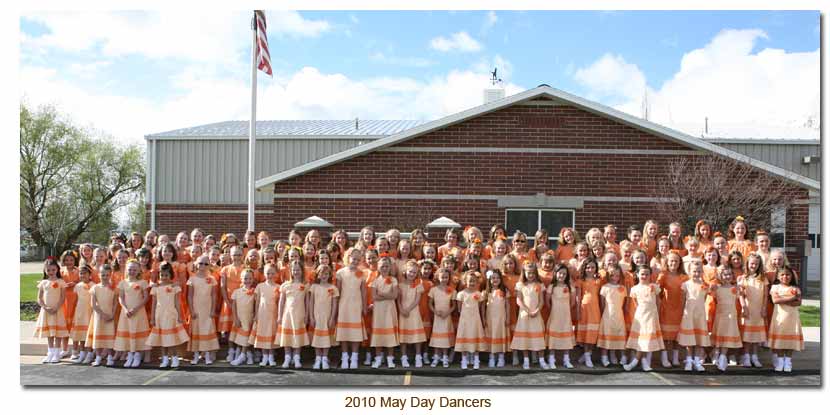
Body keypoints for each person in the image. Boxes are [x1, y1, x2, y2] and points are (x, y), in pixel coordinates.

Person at [146, 261, 189, 368]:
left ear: (171, 275)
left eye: (166, 275)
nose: (164, 277)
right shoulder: (156, 288)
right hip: (159, 315)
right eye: (162, 275)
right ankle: (165, 359)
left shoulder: (175, 287)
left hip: (171, 315)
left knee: (171, 338)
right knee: (162, 338)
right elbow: (154, 303)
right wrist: (152, 318)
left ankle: (174, 358)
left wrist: (179, 315)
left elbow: (177, 303)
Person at [623, 265, 664, 372]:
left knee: (648, 338)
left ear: (650, 275)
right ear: (637, 274)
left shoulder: (654, 287)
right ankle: (642, 361)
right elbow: (635, 303)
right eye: (642, 274)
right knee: (642, 340)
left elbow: (658, 302)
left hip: (651, 316)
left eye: (647, 274)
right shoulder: (634, 289)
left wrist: (657, 313)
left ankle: (636, 362)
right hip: (641, 316)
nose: (644, 276)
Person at [335, 248, 368, 369]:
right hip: (344, 305)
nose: (355, 261)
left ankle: (354, 356)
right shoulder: (340, 273)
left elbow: (364, 292)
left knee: (355, 333)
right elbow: (337, 291)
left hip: (356, 305)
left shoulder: (361, 273)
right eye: (353, 258)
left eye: (358, 259)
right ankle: (345, 357)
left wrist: (364, 306)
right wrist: (336, 307)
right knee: (344, 333)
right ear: (348, 258)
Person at [510, 262, 547, 369]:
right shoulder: (520, 285)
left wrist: (536, 311)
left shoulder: (540, 285)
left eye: (533, 273)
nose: (530, 275)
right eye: (528, 273)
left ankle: (541, 360)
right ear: (524, 273)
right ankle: (526, 360)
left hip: (536, 314)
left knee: (538, 338)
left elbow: (541, 301)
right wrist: (527, 311)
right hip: (524, 315)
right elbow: (518, 300)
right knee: (524, 338)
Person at [113, 260, 151, 367]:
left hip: (138, 312)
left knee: (137, 331)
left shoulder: (143, 282)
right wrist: (125, 309)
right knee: (128, 331)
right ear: (126, 270)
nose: (132, 271)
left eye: (134, 269)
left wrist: (136, 308)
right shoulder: (123, 283)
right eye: (130, 269)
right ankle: (130, 354)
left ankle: (137, 355)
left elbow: (146, 297)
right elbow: (121, 297)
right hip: (126, 313)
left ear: (139, 270)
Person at [677, 260, 710, 372]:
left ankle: (697, 360)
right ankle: (689, 360)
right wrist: (683, 313)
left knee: (699, 338)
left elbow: (704, 299)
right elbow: (682, 300)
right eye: (694, 271)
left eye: (699, 271)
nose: (696, 273)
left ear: (702, 272)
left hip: (700, 315)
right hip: (689, 315)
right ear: (689, 272)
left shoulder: (704, 286)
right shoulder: (686, 285)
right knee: (689, 339)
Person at [768, 266, 803, 372]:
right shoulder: (775, 288)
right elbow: (775, 300)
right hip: (779, 318)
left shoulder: (795, 288)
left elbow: (798, 302)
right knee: (780, 341)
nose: (785, 277)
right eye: (782, 274)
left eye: (787, 274)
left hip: (792, 318)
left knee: (790, 341)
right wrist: (792, 298)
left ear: (791, 276)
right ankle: (780, 361)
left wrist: (782, 299)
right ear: (778, 276)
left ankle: (788, 361)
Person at [657, 251, 688, 367]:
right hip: (666, 308)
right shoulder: (663, 275)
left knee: (676, 337)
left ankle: (675, 358)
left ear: (680, 263)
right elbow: (657, 290)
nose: (673, 263)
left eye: (676, 261)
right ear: (667, 262)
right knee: (666, 336)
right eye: (671, 261)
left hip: (679, 309)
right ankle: (664, 358)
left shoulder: (684, 277)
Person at [187, 255, 219, 365]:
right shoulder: (192, 279)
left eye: (206, 264)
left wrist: (213, 309)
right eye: (200, 263)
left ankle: (207, 355)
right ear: (196, 264)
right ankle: (196, 355)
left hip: (207, 310)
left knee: (207, 331)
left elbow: (214, 295)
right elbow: (190, 296)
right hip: (196, 310)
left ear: (209, 265)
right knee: (196, 331)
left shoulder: (212, 279)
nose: (203, 266)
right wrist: (191, 310)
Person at [278, 259, 311, 368]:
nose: (296, 272)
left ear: (302, 271)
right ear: (291, 271)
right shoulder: (286, 285)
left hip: (299, 314)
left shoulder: (305, 285)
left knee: (297, 336)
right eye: (294, 270)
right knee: (287, 336)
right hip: (287, 314)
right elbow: (281, 301)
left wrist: (307, 315)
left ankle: (296, 357)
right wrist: (279, 315)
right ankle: (287, 357)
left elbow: (307, 301)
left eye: (298, 270)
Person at [35, 257, 69, 364]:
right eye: (48, 270)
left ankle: (57, 353)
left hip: (57, 311)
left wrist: (56, 307)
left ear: (57, 270)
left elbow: (63, 297)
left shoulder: (61, 282)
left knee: (57, 333)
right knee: (49, 333)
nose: (51, 272)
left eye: (53, 270)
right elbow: (39, 298)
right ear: (45, 270)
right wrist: (45, 307)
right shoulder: (43, 283)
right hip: (46, 311)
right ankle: (50, 352)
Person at [369, 256, 400, 368]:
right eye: (382, 266)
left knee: (389, 334)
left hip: (389, 310)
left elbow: (395, 295)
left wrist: (382, 294)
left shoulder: (394, 280)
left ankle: (390, 359)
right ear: (378, 267)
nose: (385, 268)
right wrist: (387, 296)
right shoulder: (375, 281)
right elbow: (374, 297)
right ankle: (378, 358)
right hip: (378, 311)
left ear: (390, 267)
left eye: (387, 266)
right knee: (378, 334)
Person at [739, 252, 768, 368]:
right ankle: (746, 356)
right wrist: (743, 307)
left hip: (759, 310)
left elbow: (766, 295)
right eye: (751, 263)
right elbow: (740, 295)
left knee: (756, 336)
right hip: (748, 309)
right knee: (747, 335)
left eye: (756, 264)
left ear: (759, 265)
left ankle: (754, 357)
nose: (753, 266)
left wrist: (764, 308)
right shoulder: (743, 278)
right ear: (747, 264)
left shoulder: (763, 278)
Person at [710, 266, 742, 372]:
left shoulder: (735, 288)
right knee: (720, 334)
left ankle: (723, 356)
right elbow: (709, 294)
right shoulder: (717, 288)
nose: (727, 276)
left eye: (729, 274)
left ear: (732, 276)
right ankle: (716, 353)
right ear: (720, 276)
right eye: (725, 274)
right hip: (720, 316)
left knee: (727, 335)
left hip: (731, 316)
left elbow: (741, 297)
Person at [309, 264, 339, 370]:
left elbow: (335, 304)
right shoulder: (314, 287)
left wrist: (332, 318)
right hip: (317, 316)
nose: (324, 275)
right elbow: (311, 302)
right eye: (322, 273)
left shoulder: (333, 288)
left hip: (327, 316)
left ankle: (325, 358)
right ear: (318, 275)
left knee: (326, 338)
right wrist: (311, 317)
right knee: (317, 338)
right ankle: (318, 358)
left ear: (330, 275)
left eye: (326, 273)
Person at [597, 263, 627, 367]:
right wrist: (603, 315)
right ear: (608, 276)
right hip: (607, 315)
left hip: (619, 315)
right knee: (607, 335)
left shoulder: (623, 288)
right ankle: (604, 357)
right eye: (612, 275)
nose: (615, 278)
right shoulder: (605, 287)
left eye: (617, 275)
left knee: (620, 334)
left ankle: (623, 356)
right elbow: (602, 303)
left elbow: (624, 304)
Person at [454, 271, 486, 369]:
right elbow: (459, 309)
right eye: (470, 281)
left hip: (475, 320)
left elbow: (481, 307)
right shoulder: (461, 294)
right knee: (464, 337)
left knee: (475, 337)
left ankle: (476, 359)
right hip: (465, 320)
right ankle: (464, 359)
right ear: (465, 282)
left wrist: (482, 318)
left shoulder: (478, 294)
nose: (472, 283)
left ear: (477, 282)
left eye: (474, 281)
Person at [398, 260, 427, 368]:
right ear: (405, 271)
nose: (412, 274)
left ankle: (418, 356)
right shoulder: (400, 285)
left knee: (417, 336)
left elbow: (417, 300)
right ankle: (404, 357)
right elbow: (398, 300)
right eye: (410, 272)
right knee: (403, 337)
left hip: (413, 312)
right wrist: (401, 309)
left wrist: (408, 309)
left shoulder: (418, 285)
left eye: (414, 273)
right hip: (403, 312)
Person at [87, 264, 117, 366]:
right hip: (98, 317)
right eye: (103, 275)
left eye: (107, 275)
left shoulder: (113, 288)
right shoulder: (95, 288)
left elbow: (115, 303)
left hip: (109, 316)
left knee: (109, 337)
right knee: (98, 336)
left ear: (110, 275)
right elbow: (93, 304)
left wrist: (112, 314)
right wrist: (102, 314)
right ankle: (98, 357)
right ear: (99, 275)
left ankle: (109, 357)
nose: (105, 277)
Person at [546, 263, 575, 369]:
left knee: (566, 338)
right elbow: (547, 301)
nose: (562, 276)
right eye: (560, 273)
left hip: (566, 316)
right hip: (555, 315)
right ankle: (551, 359)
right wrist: (554, 310)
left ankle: (566, 359)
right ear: (555, 274)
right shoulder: (551, 287)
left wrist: (566, 310)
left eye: (564, 274)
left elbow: (572, 303)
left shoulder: (570, 287)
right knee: (553, 338)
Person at [252, 262, 280, 366]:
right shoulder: (260, 286)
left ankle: (271, 357)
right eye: (268, 273)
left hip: (273, 314)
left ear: (276, 274)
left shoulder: (279, 287)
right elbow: (257, 301)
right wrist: (256, 314)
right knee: (263, 333)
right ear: (264, 274)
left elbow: (279, 302)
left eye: (272, 273)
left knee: (271, 334)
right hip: (262, 314)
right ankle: (264, 357)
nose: (270, 276)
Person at [574, 258, 601, 367]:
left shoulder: (598, 281)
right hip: (584, 309)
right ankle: (587, 356)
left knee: (593, 333)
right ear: (584, 268)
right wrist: (578, 311)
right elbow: (578, 296)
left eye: (593, 267)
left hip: (595, 309)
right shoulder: (580, 281)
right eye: (588, 267)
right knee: (586, 334)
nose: (590, 269)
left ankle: (587, 355)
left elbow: (600, 296)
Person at [219, 246, 245, 356]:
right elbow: (222, 287)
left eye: (239, 254)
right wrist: (227, 301)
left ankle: (239, 349)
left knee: (240, 326)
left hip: (242, 302)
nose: (237, 257)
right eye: (234, 255)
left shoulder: (245, 268)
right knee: (229, 327)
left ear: (242, 255)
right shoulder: (225, 269)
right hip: (229, 301)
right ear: (230, 255)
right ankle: (231, 350)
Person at [229, 268, 257, 366]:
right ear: (241, 279)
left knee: (246, 338)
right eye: (245, 278)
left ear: (253, 279)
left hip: (248, 318)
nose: (247, 281)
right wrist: (235, 318)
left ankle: (243, 355)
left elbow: (256, 305)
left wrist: (255, 316)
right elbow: (233, 305)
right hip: (239, 318)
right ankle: (247, 355)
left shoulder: (255, 292)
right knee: (240, 338)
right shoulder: (237, 291)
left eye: (249, 278)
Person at [428, 267, 456, 368]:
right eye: (442, 277)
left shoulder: (452, 290)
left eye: (446, 277)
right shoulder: (433, 290)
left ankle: (445, 357)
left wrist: (447, 313)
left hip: (446, 317)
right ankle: (436, 357)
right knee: (437, 338)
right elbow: (430, 303)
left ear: (449, 278)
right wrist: (435, 311)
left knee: (445, 339)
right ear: (438, 277)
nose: (444, 279)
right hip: (437, 317)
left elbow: (454, 305)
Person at [483, 269, 510, 368]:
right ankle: (491, 357)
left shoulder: (504, 290)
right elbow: (483, 306)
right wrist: (483, 318)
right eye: (493, 278)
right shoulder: (486, 292)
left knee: (500, 335)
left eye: (498, 278)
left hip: (501, 318)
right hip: (490, 318)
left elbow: (507, 305)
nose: (495, 279)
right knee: (491, 335)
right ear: (489, 279)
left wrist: (507, 318)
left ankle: (501, 357)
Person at [68, 263, 94, 364]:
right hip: (80, 313)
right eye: (81, 273)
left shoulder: (93, 286)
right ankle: (82, 352)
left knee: (88, 334)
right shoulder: (77, 286)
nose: (82, 275)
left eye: (85, 273)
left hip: (89, 312)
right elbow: (75, 300)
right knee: (81, 335)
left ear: (89, 274)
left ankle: (89, 353)